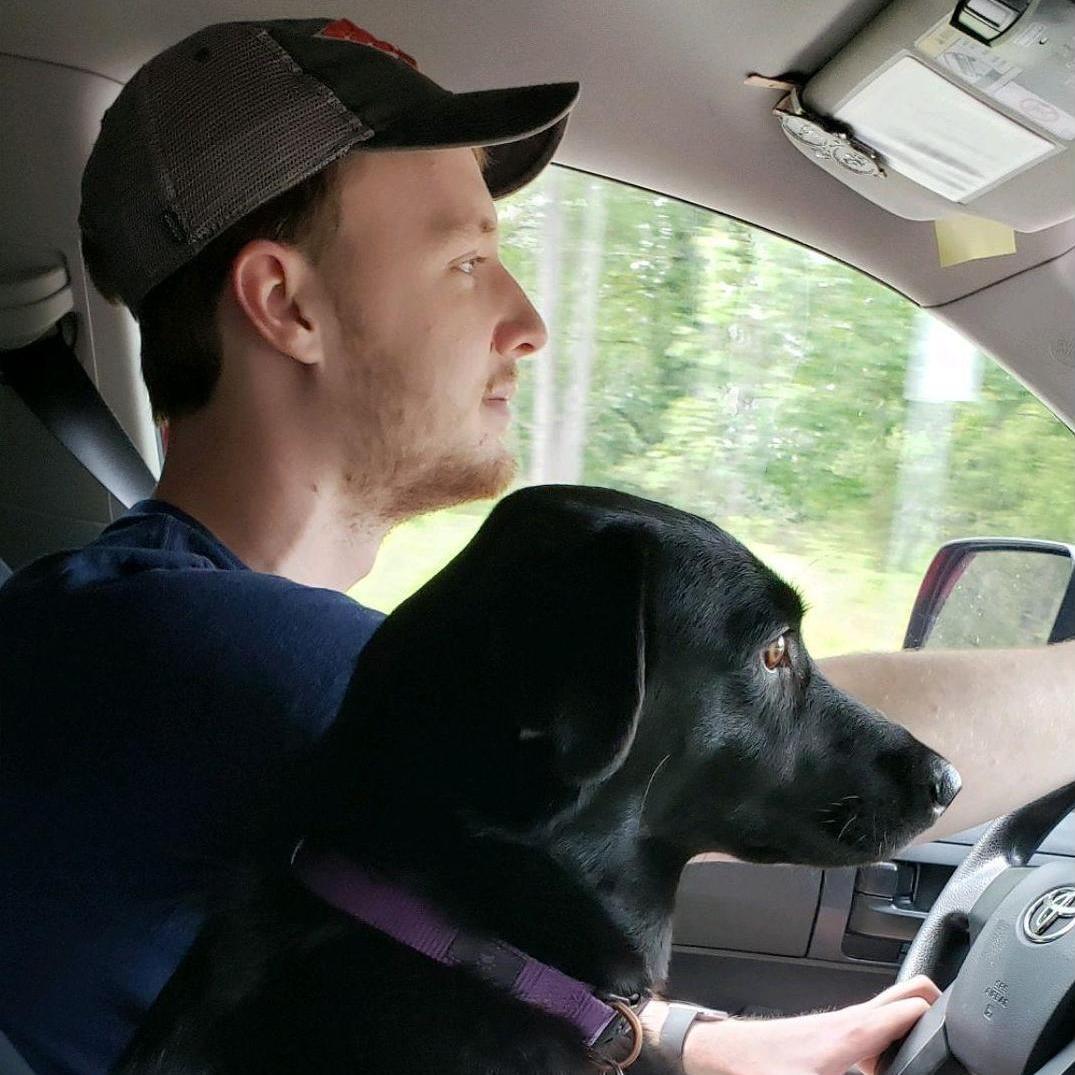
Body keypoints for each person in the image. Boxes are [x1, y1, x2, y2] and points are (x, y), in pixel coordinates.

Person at [1, 15, 1072, 1075]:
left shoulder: (175, 633)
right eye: (467, 260)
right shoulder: (171, 653)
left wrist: (695, 1043)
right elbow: (718, 726)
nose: (527, 320)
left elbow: (432, 946)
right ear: (286, 304)